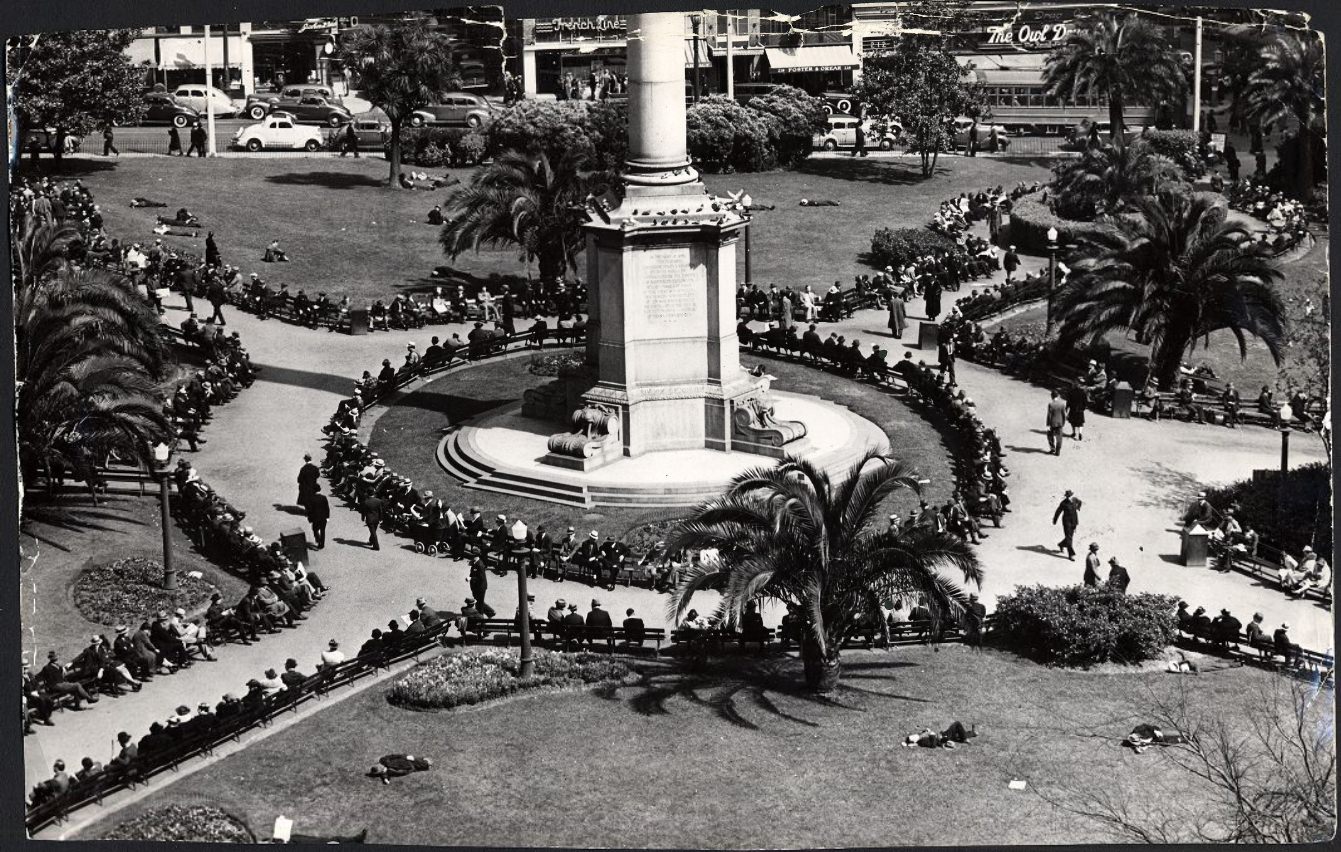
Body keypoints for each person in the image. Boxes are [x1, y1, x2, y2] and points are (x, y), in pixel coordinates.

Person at [1052, 490, 1081, 560]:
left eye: (1070, 496)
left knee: (1069, 538)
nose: (1069, 497)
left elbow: (1080, 502)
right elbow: (1058, 511)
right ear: (1066, 496)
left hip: (1074, 522)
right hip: (1066, 522)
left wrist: (1078, 507)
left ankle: (1061, 544)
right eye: (1068, 496)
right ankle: (1071, 554)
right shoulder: (1063, 503)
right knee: (1069, 538)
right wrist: (1055, 520)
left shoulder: (1075, 500)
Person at [305, 483, 330, 549]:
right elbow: (327, 508)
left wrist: (309, 518)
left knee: (315, 529)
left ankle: (318, 539)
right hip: (323, 517)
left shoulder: (311, 499)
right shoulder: (324, 498)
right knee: (323, 531)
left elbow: (309, 510)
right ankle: (322, 544)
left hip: (315, 518)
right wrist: (327, 517)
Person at [1045, 389, 1068, 455]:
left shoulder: (1051, 404)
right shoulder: (1062, 404)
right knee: (1059, 438)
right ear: (1057, 396)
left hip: (1052, 423)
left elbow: (1049, 415)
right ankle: (1058, 451)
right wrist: (1063, 423)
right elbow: (1064, 415)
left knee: (1050, 436)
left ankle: (1052, 448)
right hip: (1060, 423)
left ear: (1052, 396)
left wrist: (1048, 424)